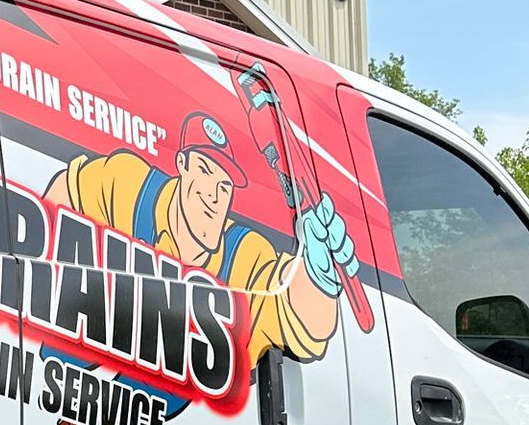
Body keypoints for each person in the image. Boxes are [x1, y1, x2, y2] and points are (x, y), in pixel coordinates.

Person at [44, 110, 358, 368]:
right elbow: (58, 200)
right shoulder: (127, 186)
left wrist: (320, 278)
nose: (213, 196)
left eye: (225, 186)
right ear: (181, 164)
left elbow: (296, 324)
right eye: (205, 171)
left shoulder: (244, 255)